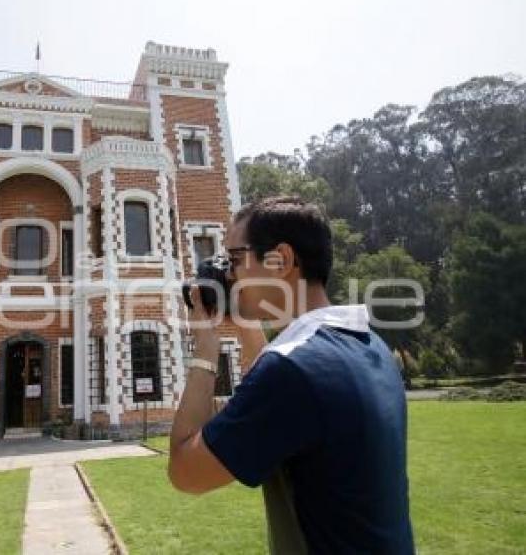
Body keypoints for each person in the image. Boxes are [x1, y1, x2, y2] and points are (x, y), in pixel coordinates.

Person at [168, 196, 414, 554]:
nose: (230, 274)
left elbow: (185, 471)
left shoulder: (292, 371)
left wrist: (205, 351)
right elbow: (267, 399)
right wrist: (246, 324)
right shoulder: (369, 346)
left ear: (280, 259)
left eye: (235, 259)